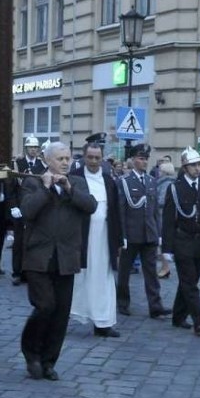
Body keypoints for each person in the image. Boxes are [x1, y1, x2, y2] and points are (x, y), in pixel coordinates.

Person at [20, 142, 96, 381]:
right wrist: (45, 189)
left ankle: (49, 361)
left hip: (66, 257)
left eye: (68, 159)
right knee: (45, 306)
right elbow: (27, 211)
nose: (65, 162)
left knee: (61, 313)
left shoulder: (79, 183)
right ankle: (31, 352)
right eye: (60, 159)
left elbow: (91, 206)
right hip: (38, 257)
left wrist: (70, 189)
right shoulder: (32, 182)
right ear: (48, 161)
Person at [162, 147, 200, 336]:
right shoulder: (175, 188)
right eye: (193, 165)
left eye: (199, 164)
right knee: (190, 284)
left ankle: (178, 316)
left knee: (190, 281)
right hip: (182, 241)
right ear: (185, 167)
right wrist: (167, 248)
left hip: (199, 243)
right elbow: (168, 220)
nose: (197, 168)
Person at [71, 142, 123, 336]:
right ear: (84, 157)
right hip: (81, 238)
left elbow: (116, 212)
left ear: (102, 159)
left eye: (97, 158)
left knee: (104, 279)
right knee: (79, 279)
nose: (93, 161)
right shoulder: (74, 178)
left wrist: (119, 240)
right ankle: (69, 316)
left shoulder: (109, 181)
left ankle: (103, 323)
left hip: (104, 238)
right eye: (90, 157)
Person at [114, 143, 170, 321]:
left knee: (151, 272)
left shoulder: (151, 181)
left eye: (146, 158)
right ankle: (122, 303)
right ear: (133, 160)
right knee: (124, 271)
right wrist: (121, 235)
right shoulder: (124, 182)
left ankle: (156, 306)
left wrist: (159, 233)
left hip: (149, 234)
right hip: (131, 235)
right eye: (140, 158)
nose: (144, 161)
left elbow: (154, 211)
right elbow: (120, 211)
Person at [10, 136, 47, 286]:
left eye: (36, 147)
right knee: (19, 241)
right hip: (20, 206)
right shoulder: (18, 163)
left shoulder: (41, 165)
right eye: (31, 147)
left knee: (33, 241)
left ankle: (29, 272)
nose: (33, 150)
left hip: (35, 207)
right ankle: (17, 272)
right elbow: (11, 187)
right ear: (26, 148)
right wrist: (13, 206)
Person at [154, 161, 176, 278]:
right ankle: (164, 267)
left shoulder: (165, 183)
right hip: (165, 215)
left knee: (163, 242)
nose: (158, 172)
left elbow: (162, 200)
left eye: (160, 170)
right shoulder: (172, 182)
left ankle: (165, 267)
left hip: (162, 215)